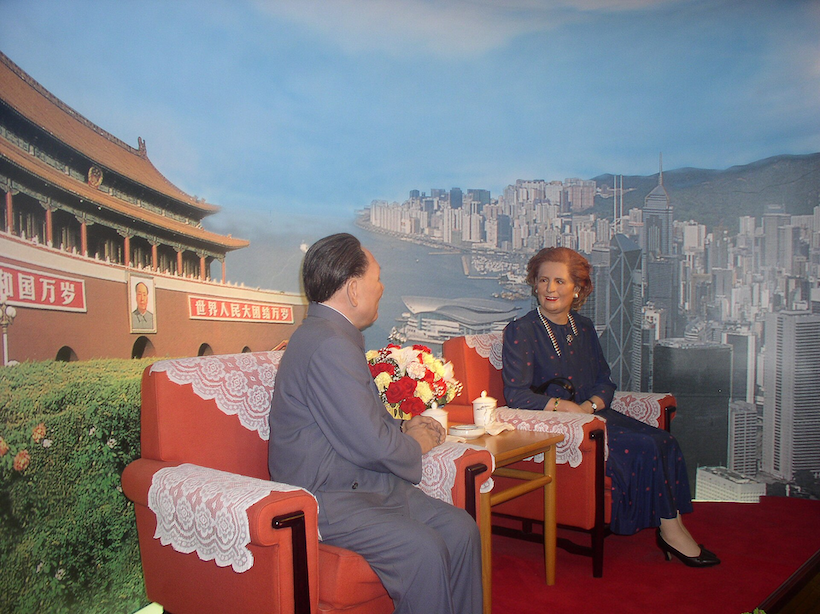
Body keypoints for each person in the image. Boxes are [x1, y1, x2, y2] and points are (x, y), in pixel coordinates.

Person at [268, 233, 483, 612]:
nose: (382, 288)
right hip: (330, 497)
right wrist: (419, 442)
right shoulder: (328, 343)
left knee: (460, 529)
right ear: (353, 289)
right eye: (377, 278)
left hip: (365, 484)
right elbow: (369, 443)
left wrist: (406, 430)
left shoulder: (332, 336)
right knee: (424, 548)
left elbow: (362, 427)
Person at [502, 246, 719, 568]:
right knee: (643, 445)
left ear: (577, 288)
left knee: (664, 440)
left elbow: (605, 380)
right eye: (543, 280)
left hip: (592, 414)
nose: (550, 289)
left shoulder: (584, 327)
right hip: (554, 424)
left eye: (560, 281)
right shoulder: (522, 330)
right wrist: (566, 408)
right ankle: (672, 533)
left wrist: (590, 405)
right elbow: (516, 394)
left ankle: (668, 526)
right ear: (533, 284)